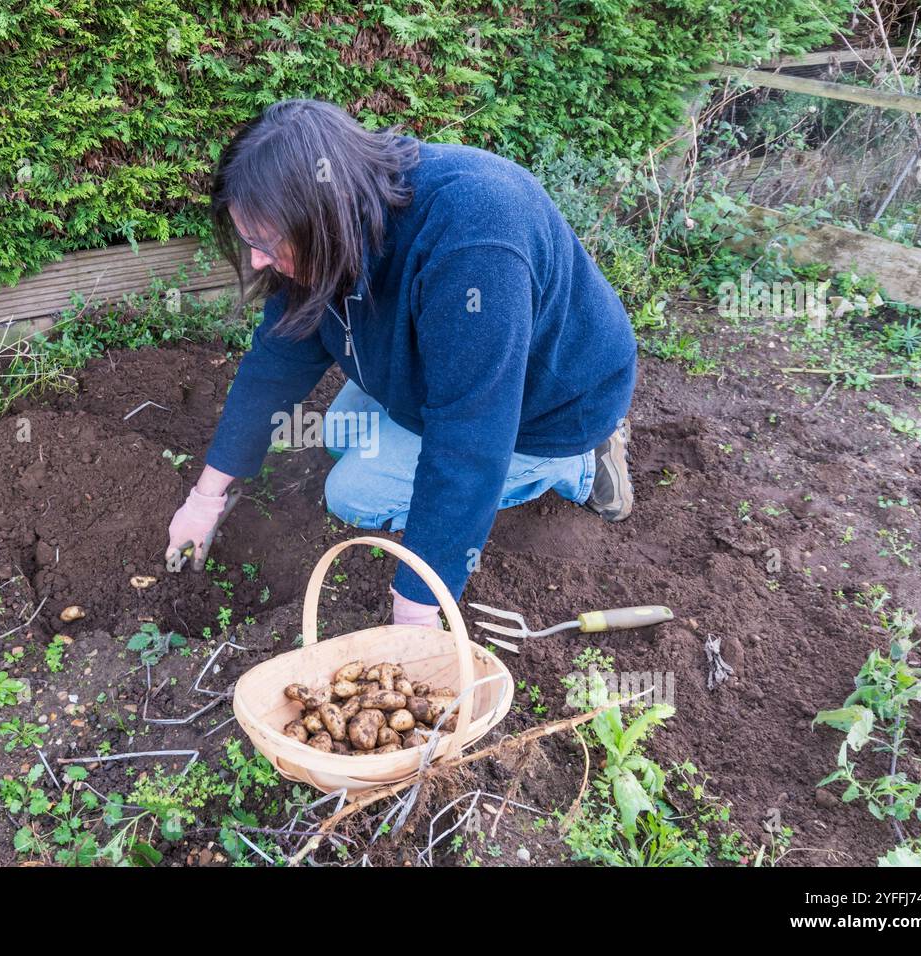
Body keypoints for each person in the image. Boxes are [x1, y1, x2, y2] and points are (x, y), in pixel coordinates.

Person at [166, 99, 636, 627]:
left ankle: (578, 462)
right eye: (247, 240)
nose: (255, 260)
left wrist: (417, 606)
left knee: (350, 495)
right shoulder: (338, 212)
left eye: (264, 242)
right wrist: (205, 496)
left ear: (326, 217)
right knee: (339, 435)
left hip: (547, 403)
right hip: (441, 365)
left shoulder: (474, 244)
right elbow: (279, 357)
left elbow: (469, 437)